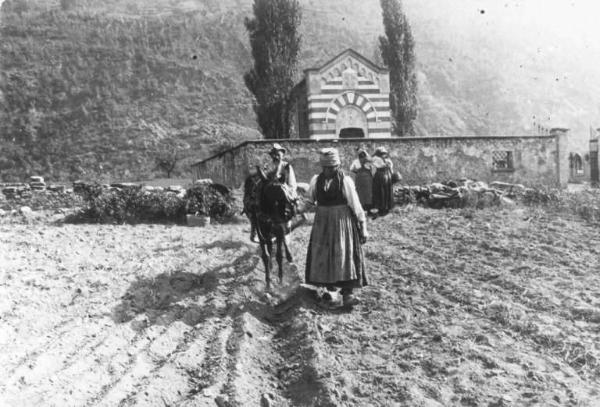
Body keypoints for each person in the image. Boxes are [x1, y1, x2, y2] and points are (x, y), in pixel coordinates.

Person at [305, 148, 369, 307]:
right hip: (322, 225)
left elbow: (356, 205)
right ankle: (328, 292)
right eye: (325, 168)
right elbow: (308, 201)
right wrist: (295, 209)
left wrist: (363, 226)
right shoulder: (316, 180)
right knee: (322, 255)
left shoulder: (345, 181)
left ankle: (347, 295)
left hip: (342, 225)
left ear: (337, 166)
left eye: (331, 168)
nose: (328, 171)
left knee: (344, 256)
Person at [242, 162, 263, 243]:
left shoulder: (263, 178)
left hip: (260, 199)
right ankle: (253, 234)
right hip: (251, 200)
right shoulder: (250, 179)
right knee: (254, 217)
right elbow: (247, 193)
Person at [372, 146, 394, 216]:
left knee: (380, 192)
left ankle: (381, 208)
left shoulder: (375, 159)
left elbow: (373, 169)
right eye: (383, 153)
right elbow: (391, 169)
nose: (383, 155)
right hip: (387, 176)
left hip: (379, 176)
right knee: (386, 191)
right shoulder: (388, 160)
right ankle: (386, 207)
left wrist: (373, 176)